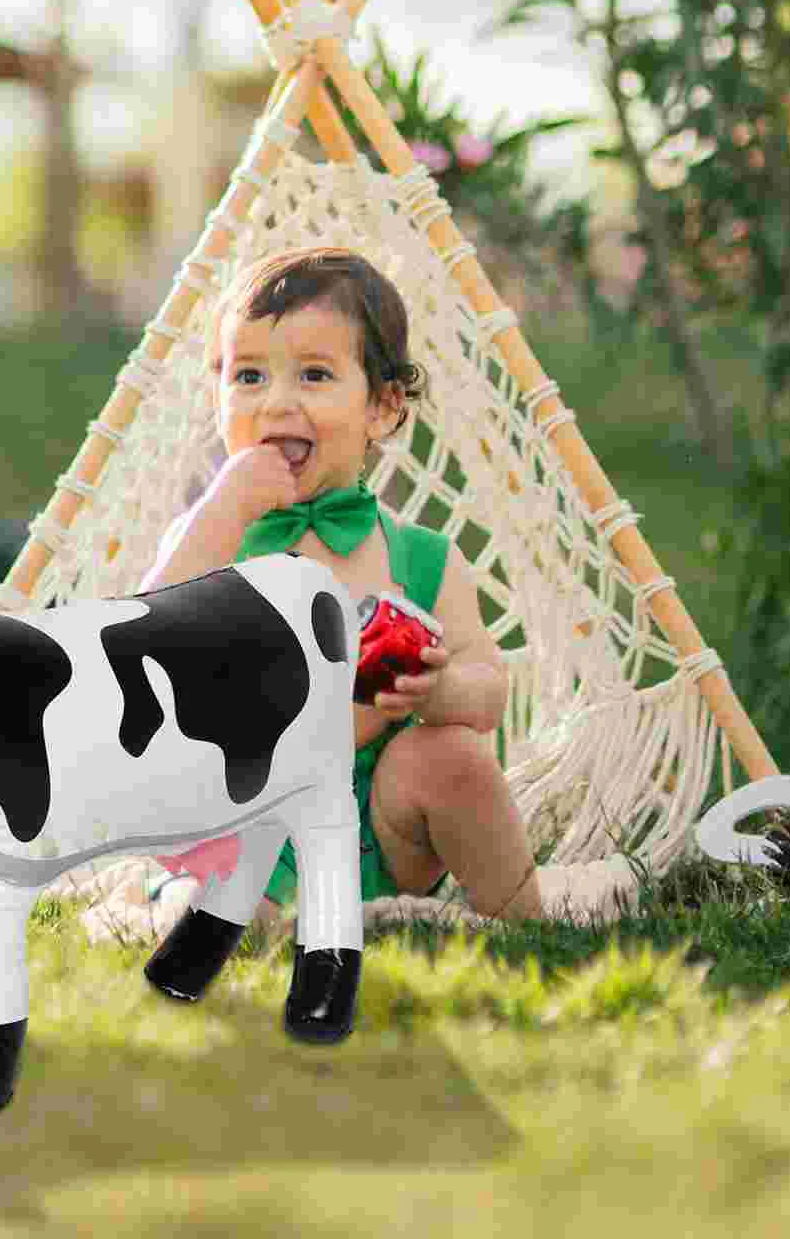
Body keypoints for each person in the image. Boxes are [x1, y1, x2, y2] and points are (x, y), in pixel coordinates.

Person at [140, 245, 543, 927]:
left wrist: (438, 690)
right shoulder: (212, 539)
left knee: (452, 757)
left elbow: (489, 688)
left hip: (379, 827)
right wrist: (218, 510)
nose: (276, 402)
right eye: (248, 376)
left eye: (315, 375)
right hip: (242, 813)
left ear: (382, 409)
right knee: (210, 879)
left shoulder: (421, 558)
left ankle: (527, 924)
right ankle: (222, 917)